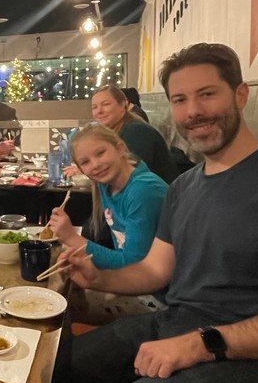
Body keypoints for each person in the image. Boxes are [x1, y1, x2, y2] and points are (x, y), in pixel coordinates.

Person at [59, 43, 258, 383]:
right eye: (180, 100)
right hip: (178, 323)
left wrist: (203, 343)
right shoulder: (183, 188)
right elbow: (154, 270)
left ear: (240, 94)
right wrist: (97, 277)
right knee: (59, 375)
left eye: (207, 94)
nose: (193, 112)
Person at [46, 124, 168, 323]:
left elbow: (136, 265)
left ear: (120, 148)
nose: (95, 165)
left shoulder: (143, 191)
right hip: (131, 281)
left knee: (57, 306)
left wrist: (72, 238)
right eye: (85, 162)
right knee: (58, 270)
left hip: (157, 298)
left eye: (100, 153)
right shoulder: (106, 184)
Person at [87, 84, 179, 184]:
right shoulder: (117, 132)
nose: (99, 111)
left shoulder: (136, 131)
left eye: (106, 104)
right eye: (94, 107)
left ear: (123, 105)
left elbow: (127, 175)